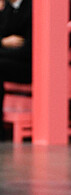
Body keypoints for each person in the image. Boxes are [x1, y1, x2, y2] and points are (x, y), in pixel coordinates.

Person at [0, 0, 32, 140]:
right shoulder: (8, 9)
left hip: (29, 65)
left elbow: (28, 50)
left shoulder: (32, 9)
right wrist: (3, 42)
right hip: (11, 59)